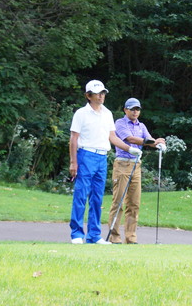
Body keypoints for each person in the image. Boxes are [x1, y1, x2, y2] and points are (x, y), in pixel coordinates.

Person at [69, 80, 142, 244]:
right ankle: (77, 234)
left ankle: (94, 235)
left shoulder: (107, 113)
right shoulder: (81, 113)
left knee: (97, 197)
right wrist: (73, 162)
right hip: (85, 155)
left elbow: (112, 137)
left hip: (102, 157)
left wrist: (129, 149)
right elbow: (74, 139)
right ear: (88, 96)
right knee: (81, 195)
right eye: (97, 93)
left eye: (103, 93)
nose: (101, 96)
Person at [107, 97, 166, 244]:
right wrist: (150, 142)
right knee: (118, 201)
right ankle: (114, 237)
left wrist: (158, 143)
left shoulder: (142, 126)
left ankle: (131, 237)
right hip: (122, 164)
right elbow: (130, 139)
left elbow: (149, 139)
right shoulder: (120, 123)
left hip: (136, 165)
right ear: (125, 110)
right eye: (132, 109)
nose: (135, 111)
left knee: (134, 203)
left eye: (137, 109)